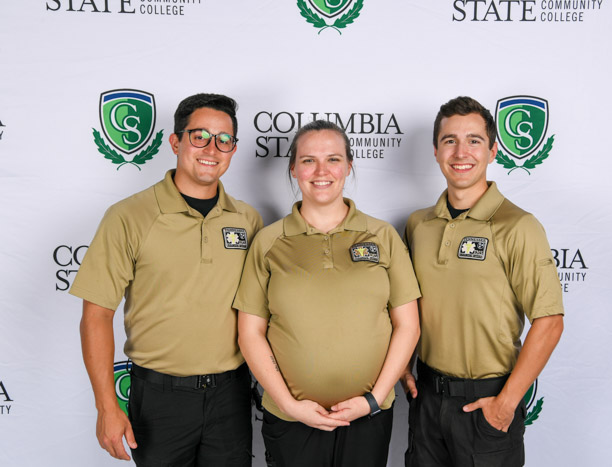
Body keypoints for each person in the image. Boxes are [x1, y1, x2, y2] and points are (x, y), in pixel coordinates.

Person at [70, 93, 262, 466]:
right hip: (159, 399)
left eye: (224, 140)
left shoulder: (247, 219)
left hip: (230, 394)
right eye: (199, 136)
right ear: (175, 142)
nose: (212, 148)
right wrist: (107, 407)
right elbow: (96, 315)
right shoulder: (128, 216)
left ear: (233, 150)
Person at [234, 119, 420, 467]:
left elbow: (408, 326)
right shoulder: (268, 242)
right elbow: (250, 333)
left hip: (367, 417)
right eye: (308, 160)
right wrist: (289, 405)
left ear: (349, 165)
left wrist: (375, 399)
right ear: (293, 168)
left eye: (333, 159)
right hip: (291, 420)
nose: (321, 171)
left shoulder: (382, 237)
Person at [401, 96, 564, 467]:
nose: (461, 152)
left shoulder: (518, 226)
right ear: (436, 150)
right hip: (426, 399)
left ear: (492, 151)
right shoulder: (419, 224)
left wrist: (506, 404)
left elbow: (550, 321)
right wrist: (401, 368)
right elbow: (405, 308)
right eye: (450, 140)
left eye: (474, 140)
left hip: (486, 404)